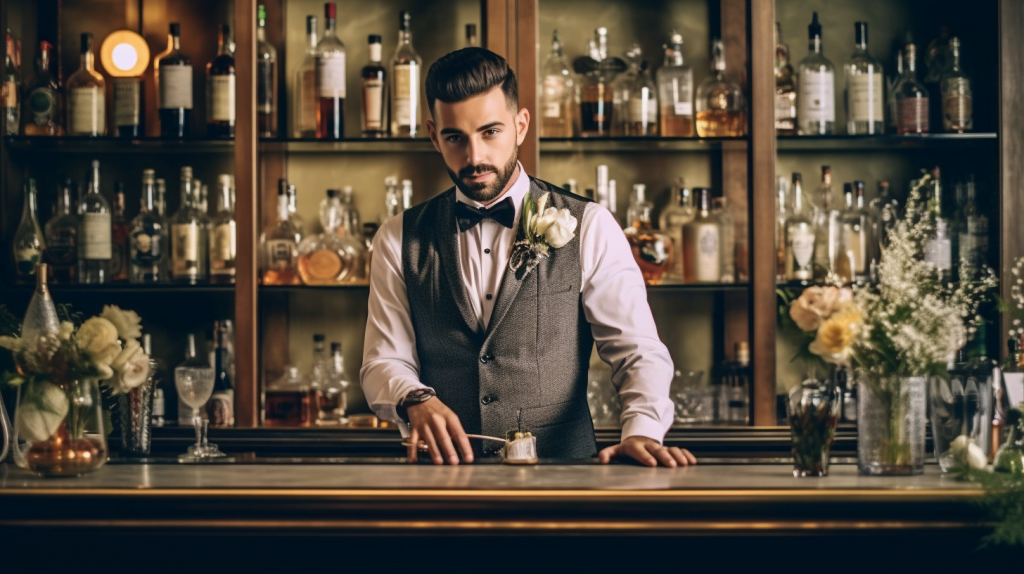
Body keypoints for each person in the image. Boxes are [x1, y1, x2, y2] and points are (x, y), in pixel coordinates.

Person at [360, 47, 694, 467]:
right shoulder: (398, 237)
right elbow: (382, 360)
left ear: (520, 126)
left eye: (490, 132)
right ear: (433, 135)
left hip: (566, 481)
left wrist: (642, 429)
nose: (475, 156)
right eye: (454, 138)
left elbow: (637, 350)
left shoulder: (589, 224)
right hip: (441, 482)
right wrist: (414, 399)